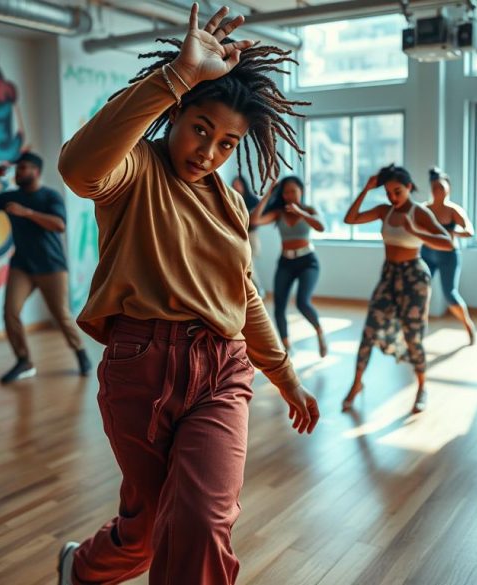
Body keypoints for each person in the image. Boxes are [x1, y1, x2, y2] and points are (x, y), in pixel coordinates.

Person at [54, 6, 319, 584]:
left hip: (222, 370)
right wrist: (177, 74)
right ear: (177, 113)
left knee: (201, 520)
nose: (209, 151)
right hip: (139, 369)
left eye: (227, 143)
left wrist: (286, 375)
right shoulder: (135, 172)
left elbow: (243, 295)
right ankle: (81, 568)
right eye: (201, 129)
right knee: (149, 529)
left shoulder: (227, 201)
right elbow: (78, 169)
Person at [0, 152, 92, 383]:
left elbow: (59, 225)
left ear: (36, 171)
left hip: (52, 265)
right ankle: (23, 360)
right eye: (17, 169)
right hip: (22, 265)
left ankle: (80, 353)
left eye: (23, 168)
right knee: (10, 312)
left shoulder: (49, 196)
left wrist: (27, 213)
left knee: (61, 315)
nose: (18, 172)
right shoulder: (11, 197)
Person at [340, 164, 453, 415]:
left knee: (413, 336)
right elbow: (350, 219)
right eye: (389, 192)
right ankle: (357, 383)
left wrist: (418, 232)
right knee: (369, 329)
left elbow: (447, 242)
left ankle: (422, 387)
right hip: (389, 275)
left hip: (414, 276)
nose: (392, 197)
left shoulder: (419, 213)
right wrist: (367, 189)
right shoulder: (384, 211)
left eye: (398, 192)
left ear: (409, 187)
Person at [250, 176, 328, 356]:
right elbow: (254, 220)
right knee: (279, 307)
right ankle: (287, 346)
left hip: (307, 261)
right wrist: (269, 194)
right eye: (285, 192)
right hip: (286, 262)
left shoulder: (309, 210)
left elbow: (321, 227)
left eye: (293, 191)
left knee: (302, 302)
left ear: (301, 191)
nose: (289, 195)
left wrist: (301, 213)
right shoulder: (279, 213)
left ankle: (319, 332)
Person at [421, 167, 476, 344]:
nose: (438, 191)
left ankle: (468, 326)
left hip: (448, 255)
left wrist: (452, 232)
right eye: (435, 188)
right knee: (421, 291)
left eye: (442, 188)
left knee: (449, 294)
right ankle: (420, 331)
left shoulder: (453, 210)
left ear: (448, 190)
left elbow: (470, 231)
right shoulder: (424, 208)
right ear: (431, 189)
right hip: (427, 253)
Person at [232, 175, 264, 297]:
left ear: (244, 185)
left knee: (249, 265)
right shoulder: (232, 199)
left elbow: (254, 222)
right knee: (245, 266)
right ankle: (252, 292)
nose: (236, 187)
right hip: (238, 237)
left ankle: (257, 291)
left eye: (238, 184)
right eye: (234, 185)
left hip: (251, 237)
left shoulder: (252, 201)